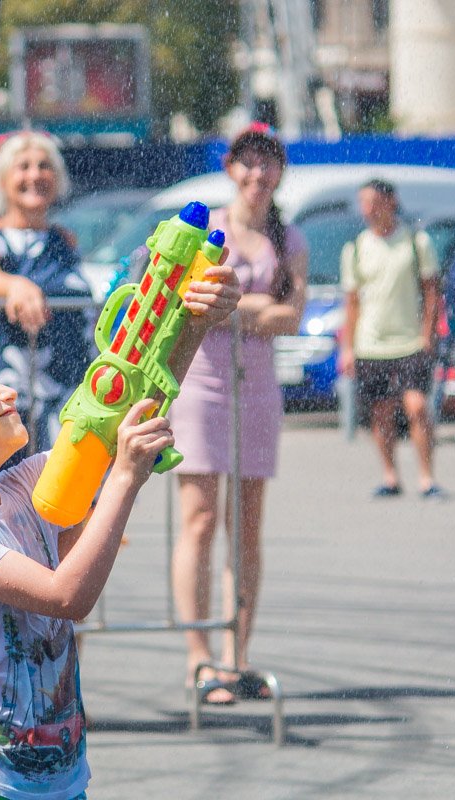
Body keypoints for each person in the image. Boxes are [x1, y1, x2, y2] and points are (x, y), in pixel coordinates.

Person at [0, 249, 237, 799]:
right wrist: (125, 478)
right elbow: (67, 596)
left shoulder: (33, 482)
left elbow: (136, 407)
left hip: (65, 781)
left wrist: (193, 319)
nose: (6, 391)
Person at [168, 124, 307, 706]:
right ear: (230, 168)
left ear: (279, 172)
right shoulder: (209, 229)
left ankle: (237, 655)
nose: (257, 176)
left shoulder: (288, 238)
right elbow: (182, 298)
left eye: (267, 165)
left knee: (246, 529)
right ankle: (200, 658)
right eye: (247, 164)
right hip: (202, 381)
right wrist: (257, 308)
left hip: (257, 388)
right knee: (199, 520)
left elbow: (293, 316)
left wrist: (231, 306)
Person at [0, 131, 95, 467]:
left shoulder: (65, 239)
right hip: (11, 399)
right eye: (23, 167)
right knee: (10, 499)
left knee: (72, 506)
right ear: (3, 180)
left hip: (72, 394)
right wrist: (15, 286)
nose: (35, 175)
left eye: (44, 166)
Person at [339, 178, 443, 499]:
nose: (367, 209)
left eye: (372, 201)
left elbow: (431, 292)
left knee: (417, 407)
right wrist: (347, 347)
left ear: (391, 202)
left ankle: (426, 477)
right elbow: (352, 303)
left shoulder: (415, 241)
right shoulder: (355, 248)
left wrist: (428, 334)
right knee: (381, 412)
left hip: (410, 341)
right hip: (371, 343)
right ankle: (390, 476)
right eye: (363, 202)